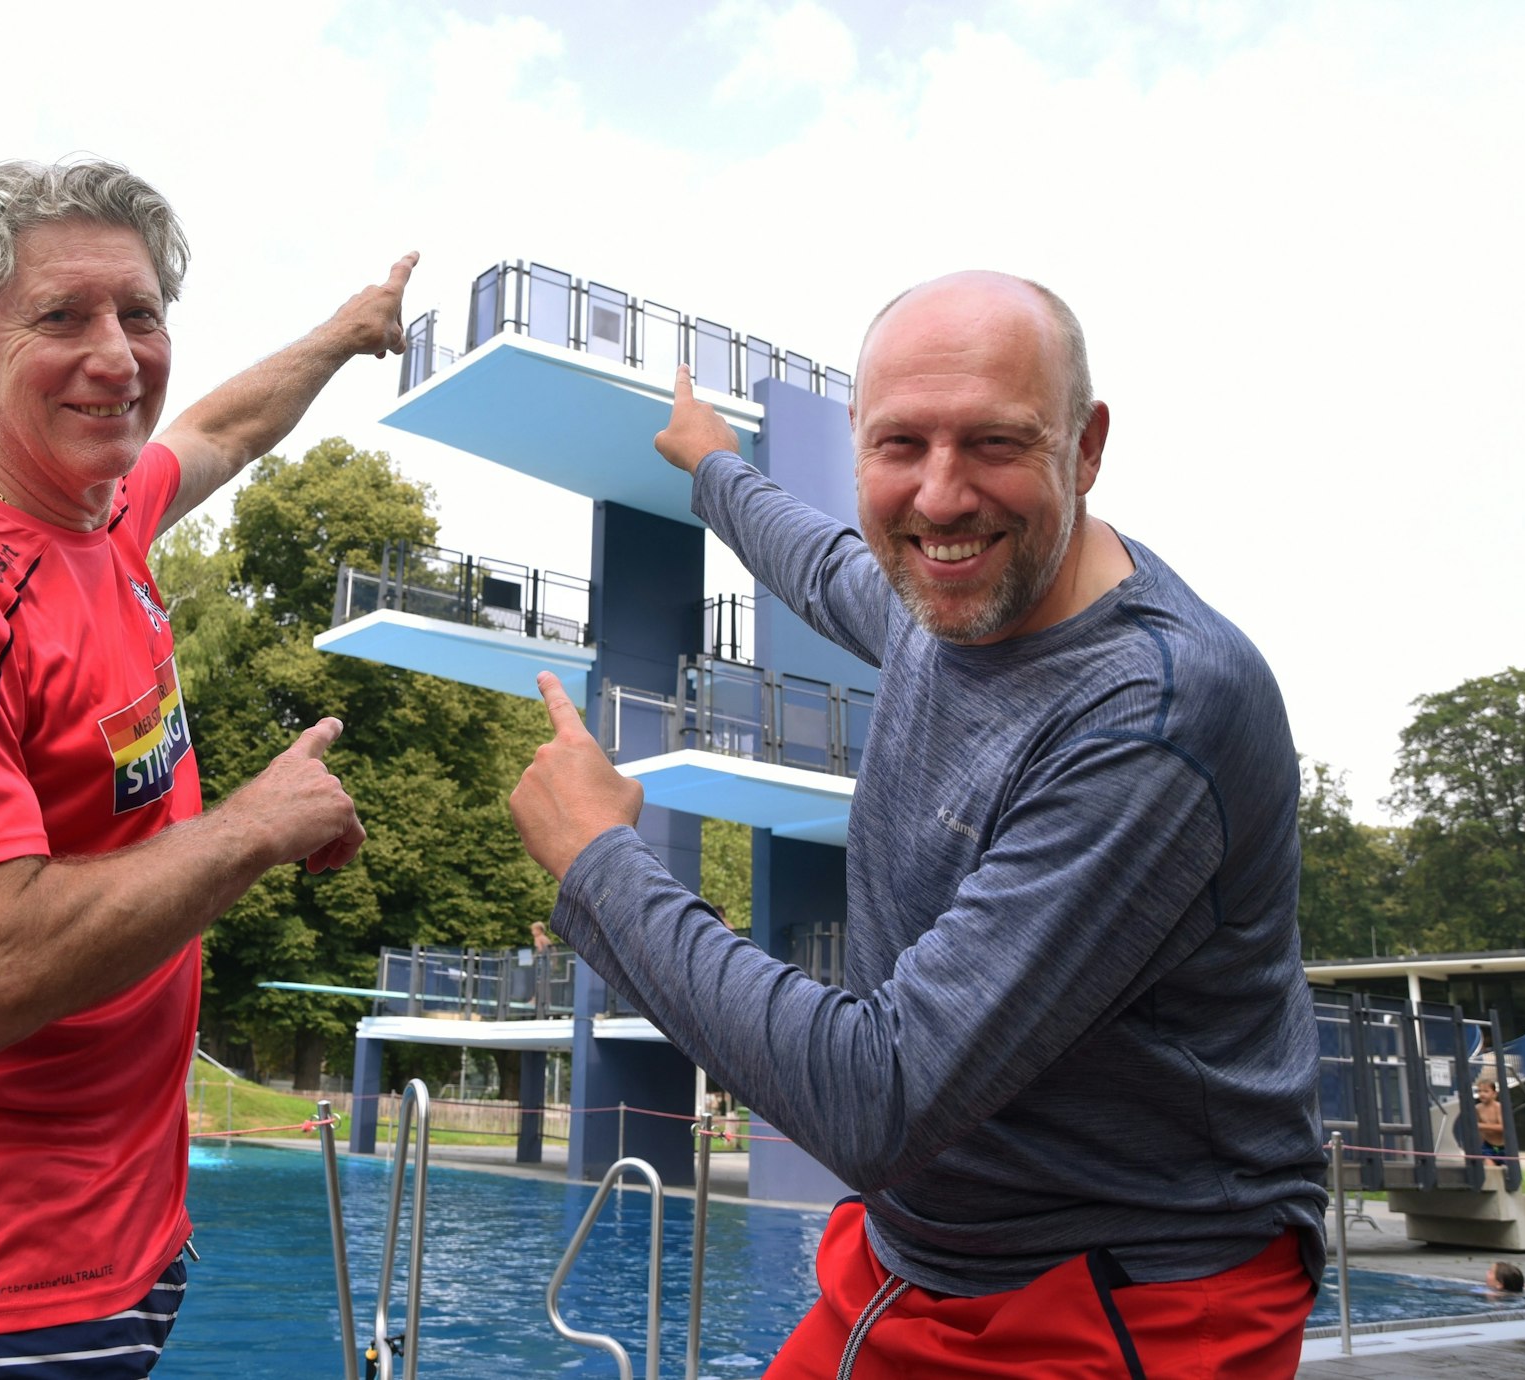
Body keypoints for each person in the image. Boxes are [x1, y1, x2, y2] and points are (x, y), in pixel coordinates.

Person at [509, 271, 1326, 1377]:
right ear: (857, 441)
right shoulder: (942, 604)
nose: (939, 500)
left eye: (992, 443)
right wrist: (709, 462)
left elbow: (876, 1095)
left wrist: (601, 863)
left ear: (1082, 450)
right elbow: (822, 560)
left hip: (1120, 1298)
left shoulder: (1147, 715)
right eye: (899, 446)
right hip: (918, 1259)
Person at [0, 158, 413, 1377]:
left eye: (140, 314)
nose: (117, 356)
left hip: (113, 1244)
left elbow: (224, 425)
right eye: (62, 318)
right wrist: (250, 827)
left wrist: (343, 333)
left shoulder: (100, 514)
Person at [1475, 1077, 1510, 1165]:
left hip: (1504, 1147)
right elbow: (1478, 1131)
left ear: (1494, 1094)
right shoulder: (1478, 1108)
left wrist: (1481, 1126)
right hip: (1488, 1146)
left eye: (1486, 1091)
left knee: (1506, 1173)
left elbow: (1503, 1127)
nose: (1482, 1094)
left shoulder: (1498, 1107)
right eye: (1479, 1091)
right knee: (1490, 1169)